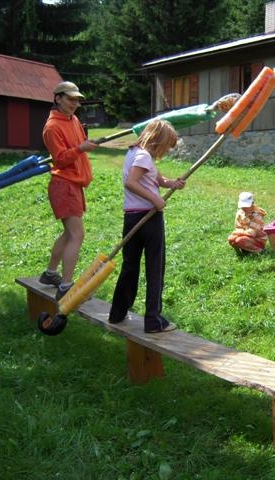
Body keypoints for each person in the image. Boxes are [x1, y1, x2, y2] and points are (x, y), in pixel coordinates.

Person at [107, 119, 185, 333]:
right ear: (158, 140)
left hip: (131, 218)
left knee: (130, 266)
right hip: (148, 218)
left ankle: (117, 313)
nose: (167, 151)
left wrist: (172, 183)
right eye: (167, 146)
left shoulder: (135, 153)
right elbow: (131, 182)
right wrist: (155, 199)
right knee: (155, 268)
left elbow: (156, 179)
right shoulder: (143, 156)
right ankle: (153, 320)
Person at [39, 81, 98, 300]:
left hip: (74, 183)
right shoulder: (52, 127)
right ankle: (66, 286)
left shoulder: (73, 120)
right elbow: (61, 159)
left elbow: (78, 146)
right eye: (70, 99)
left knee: (69, 233)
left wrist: (85, 144)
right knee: (77, 234)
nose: (75, 103)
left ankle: (50, 273)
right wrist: (81, 148)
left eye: (77, 100)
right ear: (58, 98)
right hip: (64, 184)